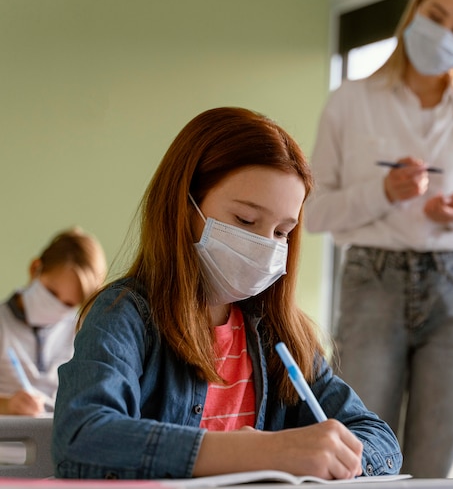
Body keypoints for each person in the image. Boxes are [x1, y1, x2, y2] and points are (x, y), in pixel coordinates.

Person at [51, 107, 402, 480]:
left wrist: (333, 458)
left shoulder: (280, 336)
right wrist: (263, 451)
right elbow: (81, 437)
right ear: (185, 206)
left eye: (282, 232)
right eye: (246, 220)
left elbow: (380, 442)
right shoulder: (125, 315)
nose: (265, 246)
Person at [304, 0, 453, 479]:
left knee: (438, 470)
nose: (443, 35)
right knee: (358, 458)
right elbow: (313, 213)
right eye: (436, 16)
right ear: (413, 12)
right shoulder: (349, 102)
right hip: (371, 282)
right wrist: (383, 192)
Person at [0, 227, 107, 416]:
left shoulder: (81, 333)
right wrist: (7, 405)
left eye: (68, 304)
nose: (56, 308)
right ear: (35, 269)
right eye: (51, 293)